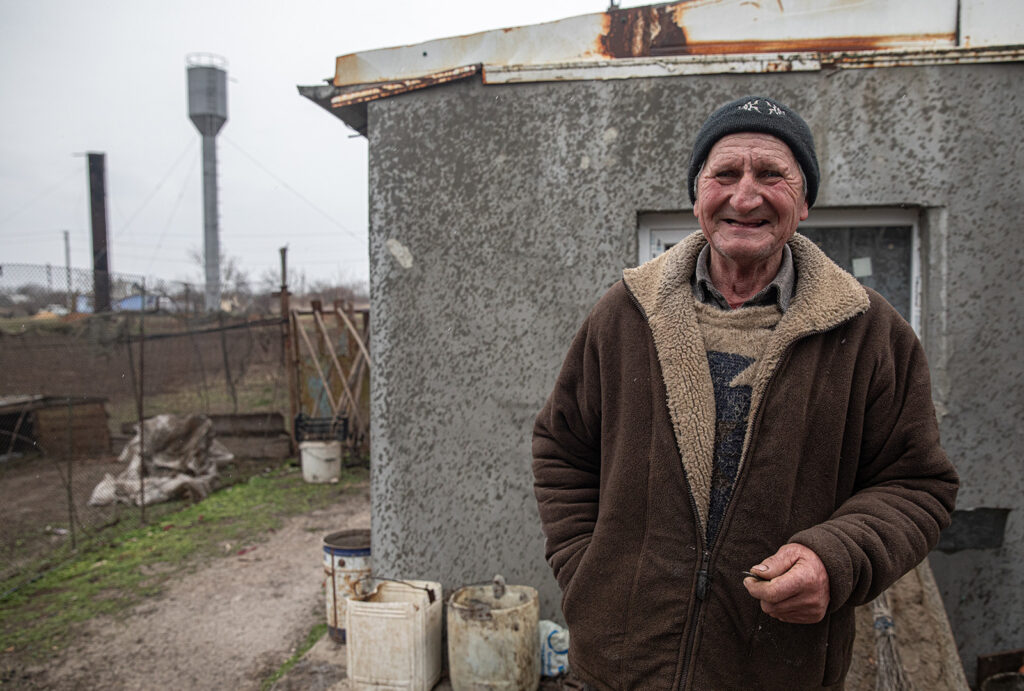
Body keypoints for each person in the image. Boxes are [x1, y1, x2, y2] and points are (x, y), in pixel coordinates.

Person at [532, 95, 958, 689]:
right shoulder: (625, 314)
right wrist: (589, 574)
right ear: (698, 194)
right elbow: (562, 448)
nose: (746, 196)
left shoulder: (870, 333)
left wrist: (835, 562)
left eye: (772, 175)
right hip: (617, 668)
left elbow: (917, 485)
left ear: (804, 201)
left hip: (778, 668)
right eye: (725, 174)